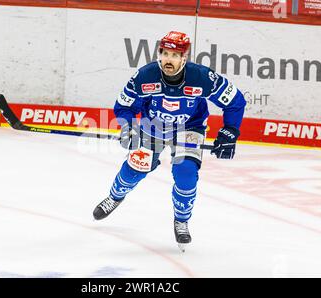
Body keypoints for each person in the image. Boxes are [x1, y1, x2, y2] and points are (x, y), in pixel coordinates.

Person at [92, 31, 246, 251]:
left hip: (189, 127)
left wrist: (230, 131)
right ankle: (115, 197)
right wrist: (128, 128)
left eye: (175, 55)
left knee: (186, 174)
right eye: (165, 54)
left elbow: (235, 102)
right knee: (135, 168)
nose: (168, 60)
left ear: (184, 57)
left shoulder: (202, 77)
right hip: (154, 125)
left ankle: (181, 220)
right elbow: (124, 106)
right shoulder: (144, 76)